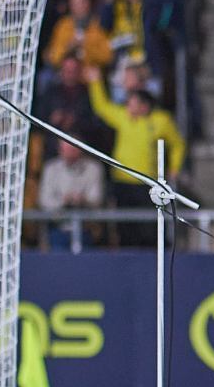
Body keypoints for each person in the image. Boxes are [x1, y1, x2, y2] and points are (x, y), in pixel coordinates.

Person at [85, 65, 184, 246]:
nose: (128, 107)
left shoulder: (161, 120)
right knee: (125, 229)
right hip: (122, 181)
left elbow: (177, 144)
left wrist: (175, 168)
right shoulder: (123, 117)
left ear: (144, 106)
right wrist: (95, 82)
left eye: (132, 103)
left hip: (147, 183)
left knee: (148, 229)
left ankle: (151, 256)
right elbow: (101, 107)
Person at [37, 137, 105, 251]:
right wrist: (63, 200)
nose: (70, 153)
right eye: (67, 149)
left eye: (73, 149)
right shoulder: (51, 168)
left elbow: (96, 198)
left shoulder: (93, 168)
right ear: (60, 150)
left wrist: (82, 200)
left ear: (81, 149)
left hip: (87, 228)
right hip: (57, 227)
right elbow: (44, 200)